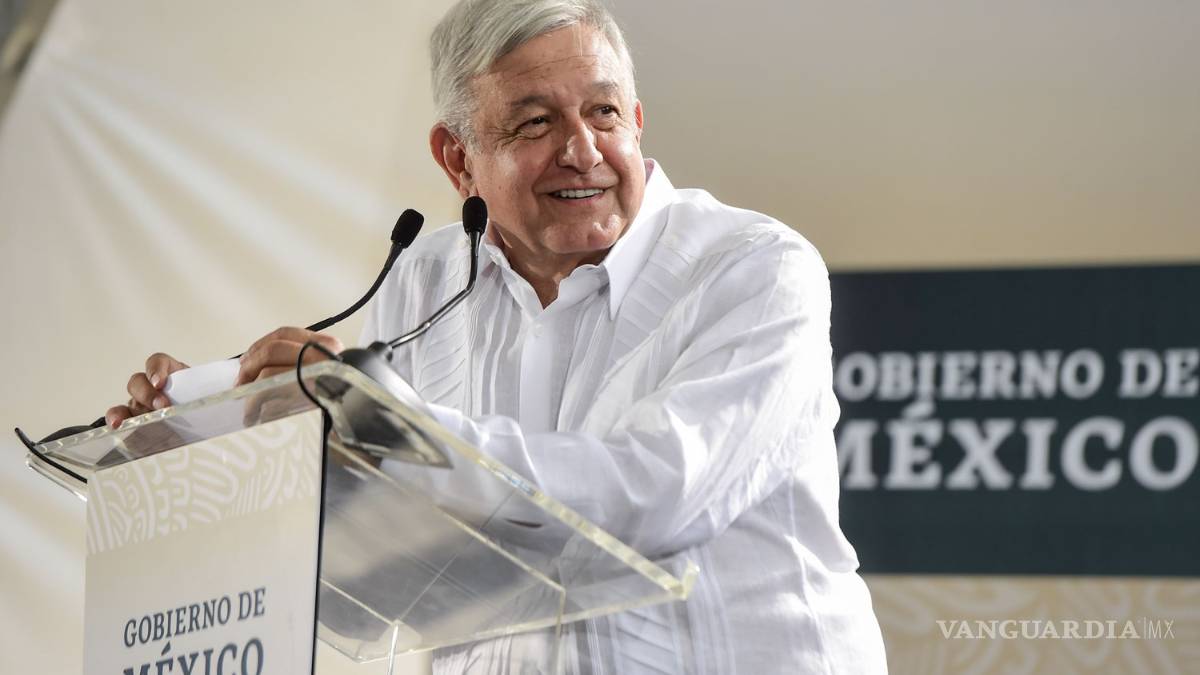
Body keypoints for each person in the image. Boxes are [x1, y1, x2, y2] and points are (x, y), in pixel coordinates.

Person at [107, 0, 888, 672]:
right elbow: (386, 567)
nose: (582, 150)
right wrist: (226, 451)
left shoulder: (753, 267)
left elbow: (654, 497)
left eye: (604, 112)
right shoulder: (423, 281)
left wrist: (379, 421)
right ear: (458, 160)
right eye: (536, 122)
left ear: (638, 121)